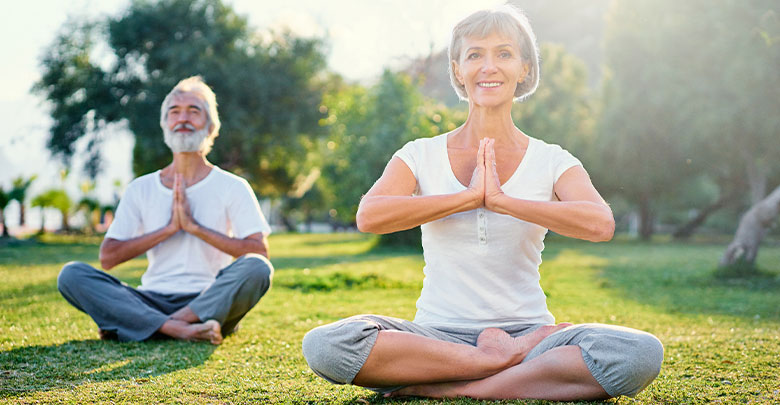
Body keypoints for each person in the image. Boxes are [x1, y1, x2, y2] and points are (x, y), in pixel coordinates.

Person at [301, 5, 663, 401]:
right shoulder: (419, 154)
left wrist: (504, 202)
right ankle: (495, 366)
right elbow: (370, 216)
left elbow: (599, 223)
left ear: (524, 68)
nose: (489, 66)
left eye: (504, 54)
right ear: (458, 69)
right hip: (436, 337)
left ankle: (450, 388)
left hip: (529, 332)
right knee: (326, 345)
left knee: (639, 353)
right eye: (475, 55)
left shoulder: (553, 159)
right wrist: (466, 198)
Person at [58, 76, 273, 345]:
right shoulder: (141, 188)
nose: (183, 118)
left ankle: (150, 325)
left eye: (194, 111)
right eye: (174, 111)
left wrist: (195, 228)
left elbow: (259, 252)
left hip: (209, 298)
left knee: (257, 267)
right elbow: (108, 257)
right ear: (165, 125)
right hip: (150, 298)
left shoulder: (232, 186)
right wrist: (169, 229)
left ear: (210, 126)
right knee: (72, 275)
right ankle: (180, 329)